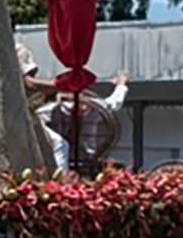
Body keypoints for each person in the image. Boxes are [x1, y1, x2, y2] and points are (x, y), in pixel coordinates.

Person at [15, 36, 130, 171]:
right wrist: (63, 85)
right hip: (22, 118)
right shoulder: (54, 109)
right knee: (59, 144)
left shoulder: (89, 108)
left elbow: (109, 105)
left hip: (84, 158)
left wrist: (121, 85)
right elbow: (29, 84)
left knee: (57, 145)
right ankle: (61, 182)